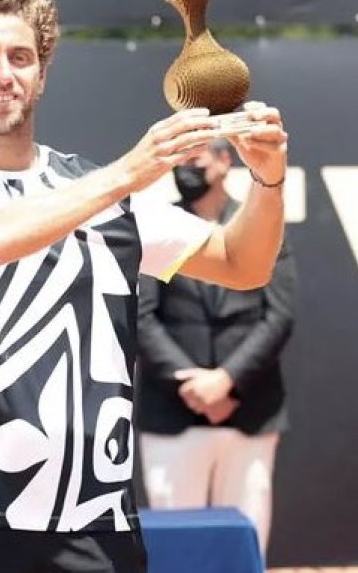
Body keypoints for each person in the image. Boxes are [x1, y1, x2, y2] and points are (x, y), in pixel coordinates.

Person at [0, 0, 288, 573]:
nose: (3, 73)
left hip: (99, 522)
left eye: (20, 56)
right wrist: (128, 173)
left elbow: (242, 263)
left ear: (42, 74)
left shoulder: (102, 191)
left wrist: (269, 177)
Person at [134, 137, 297, 556]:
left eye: (196, 158)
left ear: (225, 161)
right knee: (175, 549)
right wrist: (192, 386)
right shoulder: (157, 225)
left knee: (246, 544)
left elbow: (278, 315)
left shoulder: (262, 225)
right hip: (173, 414)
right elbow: (142, 316)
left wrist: (226, 382)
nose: (185, 168)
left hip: (249, 413)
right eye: (180, 160)